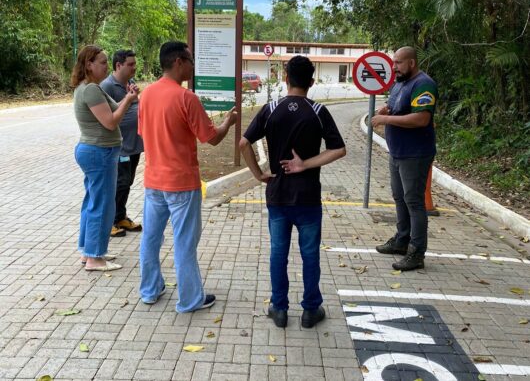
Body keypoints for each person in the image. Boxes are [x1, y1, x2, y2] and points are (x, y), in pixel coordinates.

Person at [240, 55, 346, 329]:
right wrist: (305, 164)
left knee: (278, 253)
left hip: (277, 196)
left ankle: (279, 309)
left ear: (286, 79)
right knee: (310, 253)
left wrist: (259, 174)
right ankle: (311, 310)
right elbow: (339, 149)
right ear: (312, 81)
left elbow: (243, 143)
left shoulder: (270, 109)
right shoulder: (319, 111)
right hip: (308, 197)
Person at [138, 41, 237, 311]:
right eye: (191, 60)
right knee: (185, 244)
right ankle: (190, 300)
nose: (193, 66)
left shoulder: (146, 95)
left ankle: (149, 290)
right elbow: (212, 138)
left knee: (150, 238)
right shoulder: (186, 98)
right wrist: (228, 122)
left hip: (153, 181)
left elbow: (143, 133)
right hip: (181, 183)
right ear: (179, 62)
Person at [71, 45, 138, 272]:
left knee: (93, 202)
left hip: (96, 151)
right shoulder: (90, 90)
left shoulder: (90, 88)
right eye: (101, 62)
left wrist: (128, 97)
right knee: (102, 205)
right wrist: (129, 102)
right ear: (89, 64)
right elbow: (110, 121)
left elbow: (112, 111)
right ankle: (94, 258)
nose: (106, 66)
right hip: (99, 152)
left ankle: (89, 251)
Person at [371, 46, 438, 272]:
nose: (394, 67)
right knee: (399, 197)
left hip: (415, 153)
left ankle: (416, 252)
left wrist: (385, 120)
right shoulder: (400, 83)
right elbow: (396, 106)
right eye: (393, 62)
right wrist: (386, 108)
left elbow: (421, 119)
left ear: (411, 63)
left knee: (414, 202)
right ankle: (402, 240)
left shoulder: (423, 84)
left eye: (398, 63)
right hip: (398, 151)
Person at [101, 50, 144, 237]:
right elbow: (106, 116)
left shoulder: (131, 84)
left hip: (134, 144)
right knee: (119, 183)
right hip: (119, 146)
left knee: (127, 182)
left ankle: (120, 217)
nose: (134, 67)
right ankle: (108, 222)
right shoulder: (107, 86)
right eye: (131, 64)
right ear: (119, 65)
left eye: (135, 64)